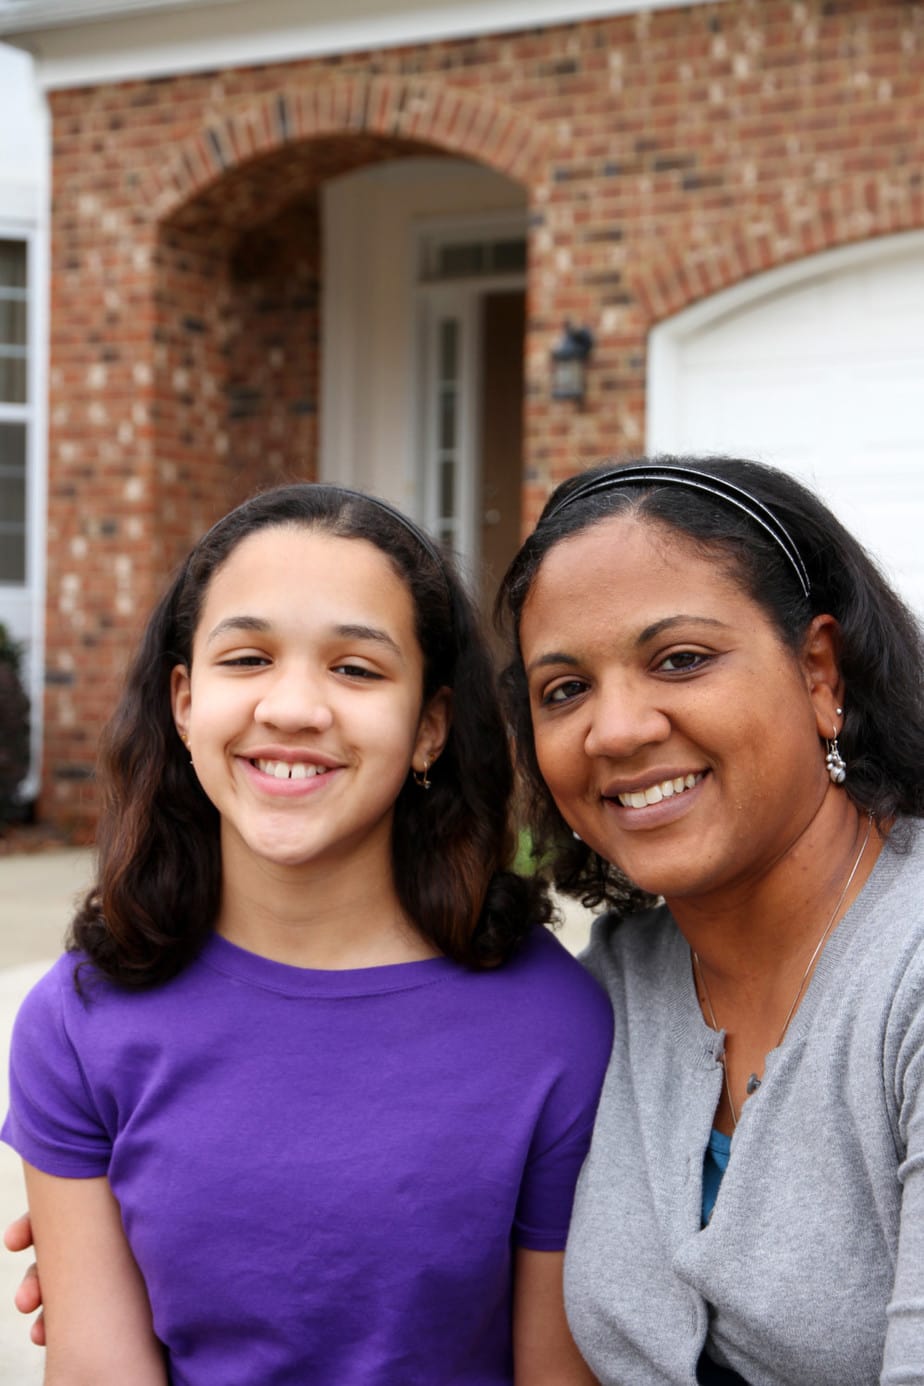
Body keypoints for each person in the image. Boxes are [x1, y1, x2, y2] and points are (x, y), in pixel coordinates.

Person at [1, 482, 611, 1385]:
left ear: (430, 728)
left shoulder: (554, 1026)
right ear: (183, 700)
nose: (291, 708)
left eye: (356, 669)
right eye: (246, 659)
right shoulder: (79, 1023)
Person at [496, 455, 924, 1385]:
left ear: (819, 673)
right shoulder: (610, 990)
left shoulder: (909, 975)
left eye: (681, 660)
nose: (615, 730)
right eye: (563, 690)